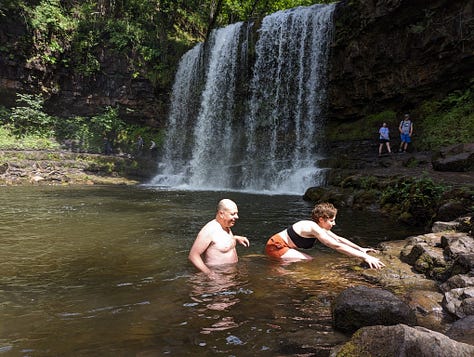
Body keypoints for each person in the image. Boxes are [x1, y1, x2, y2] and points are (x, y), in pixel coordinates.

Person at [264, 202, 385, 269]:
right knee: (309, 260)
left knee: (307, 260)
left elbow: (338, 239)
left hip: (281, 246)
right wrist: (365, 258)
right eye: (331, 220)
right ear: (321, 219)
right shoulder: (313, 227)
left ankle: (278, 266)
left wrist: (361, 249)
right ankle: (276, 270)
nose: (334, 223)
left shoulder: (319, 227)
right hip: (276, 246)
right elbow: (335, 246)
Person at [188, 199, 250, 278]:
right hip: (216, 278)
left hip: (229, 275)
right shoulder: (209, 230)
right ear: (221, 214)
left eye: (236, 213)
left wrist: (235, 238)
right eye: (233, 214)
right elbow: (193, 256)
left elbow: (219, 241)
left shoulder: (225, 225)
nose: (237, 217)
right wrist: (209, 273)